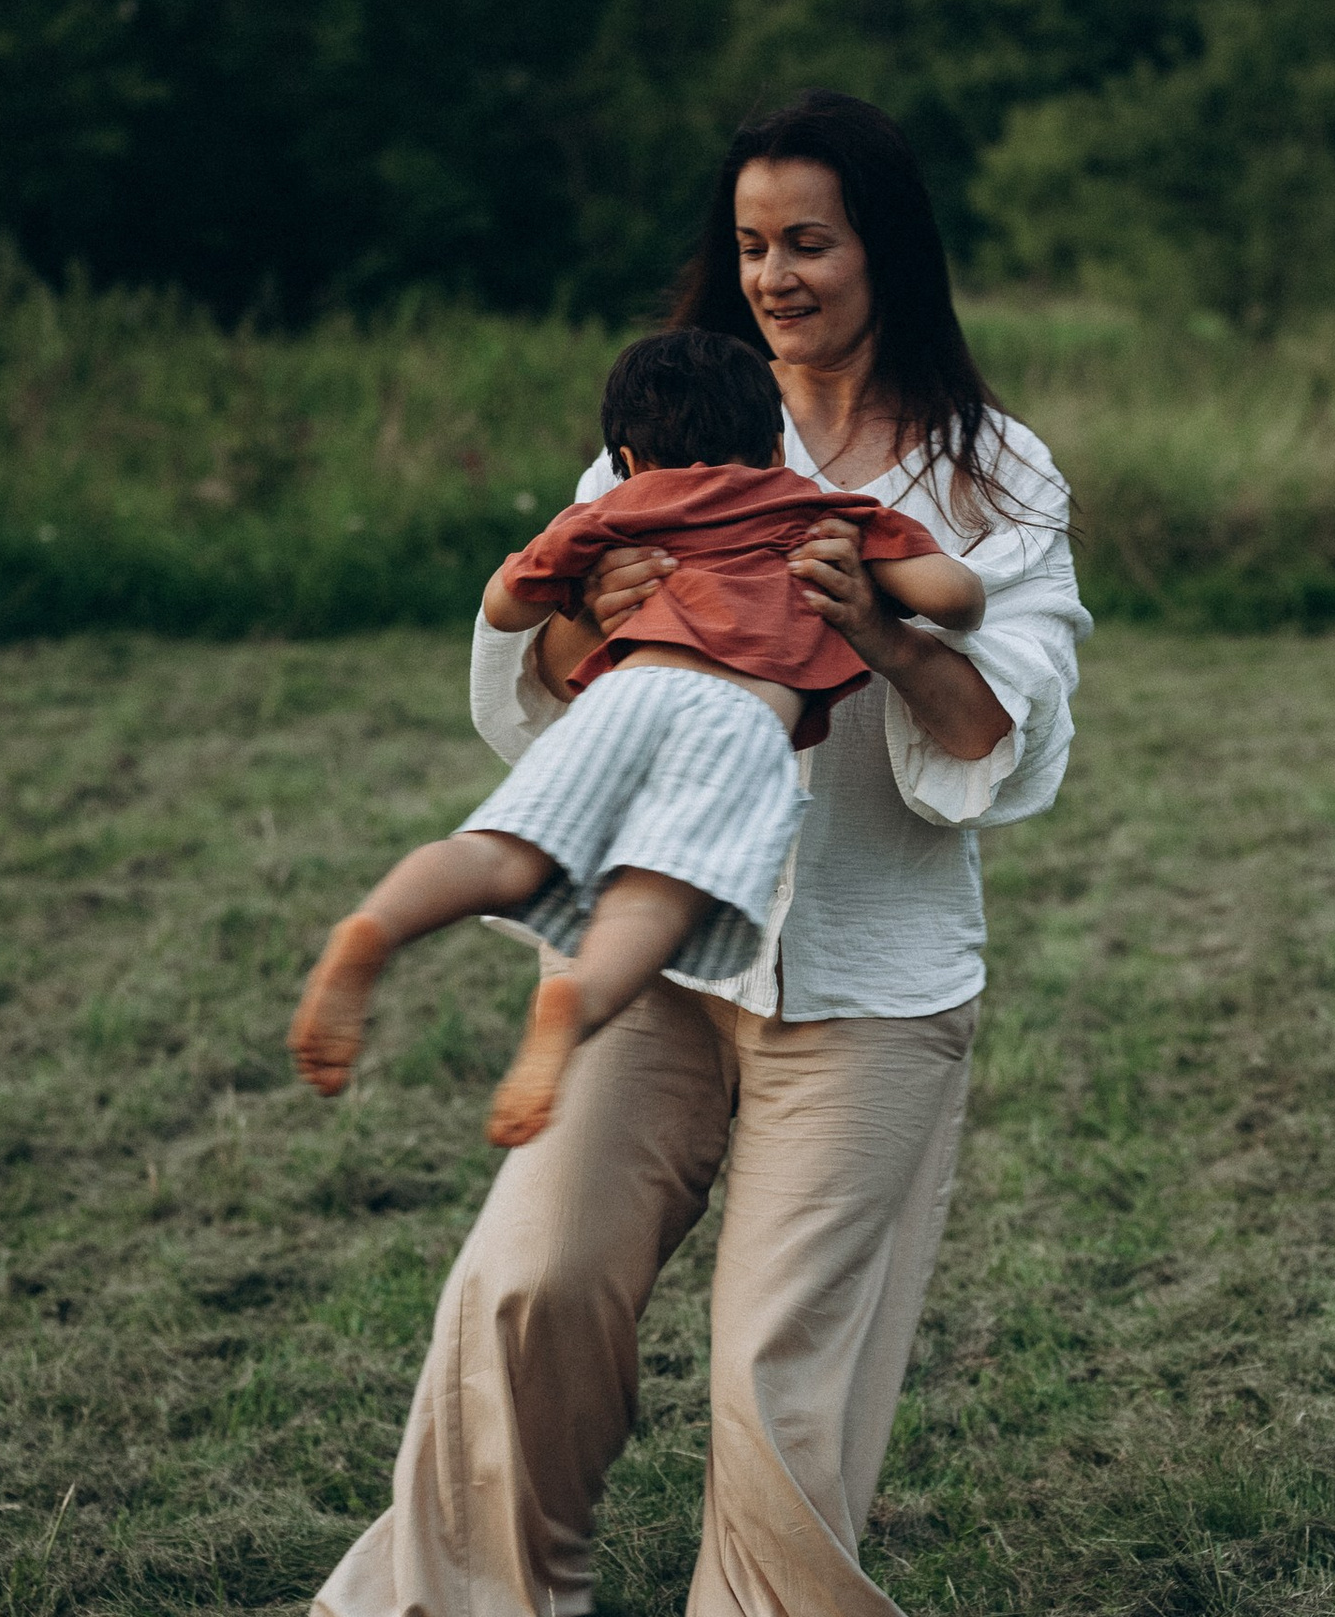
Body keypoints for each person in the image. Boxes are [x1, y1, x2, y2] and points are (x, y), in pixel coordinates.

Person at [305, 90, 1088, 1617]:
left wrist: (880, 630)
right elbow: (558, 665)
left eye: (811, 239)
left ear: (888, 247)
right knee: (533, 1274)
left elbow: (992, 734)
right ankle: (486, 1610)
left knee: (770, 1366)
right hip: (661, 949)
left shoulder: (993, 475)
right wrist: (587, 630)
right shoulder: (676, 429)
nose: (777, 275)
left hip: (868, 972)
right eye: (751, 245)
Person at [282, 327, 982, 1147]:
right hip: (740, 723)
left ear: (626, 454)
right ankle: (577, 999)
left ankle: (374, 926)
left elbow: (506, 604)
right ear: (775, 442)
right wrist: (867, 575)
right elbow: (957, 597)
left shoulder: (612, 510)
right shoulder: (813, 509)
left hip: (623, 695)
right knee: (660, 890)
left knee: (503, 849)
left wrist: (582, 575)